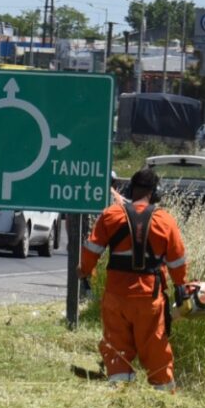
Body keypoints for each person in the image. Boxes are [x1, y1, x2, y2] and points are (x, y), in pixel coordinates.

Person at [78, 167, 190, 392]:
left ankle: (120, 393)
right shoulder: (165, 221)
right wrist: (181, 286)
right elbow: (177, 261)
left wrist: (85, 271)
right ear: (154, 192)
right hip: (149, 298)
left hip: (116, 297)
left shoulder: (111, 215)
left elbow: (91, 250)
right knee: (156, 348)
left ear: (130, 188)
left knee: (117, 347)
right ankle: (164, 397)